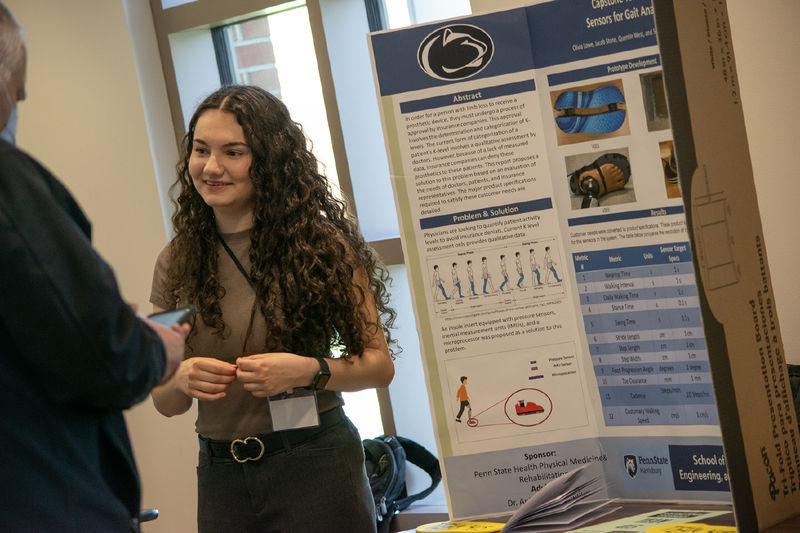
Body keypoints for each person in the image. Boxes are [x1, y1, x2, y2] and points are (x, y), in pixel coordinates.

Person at [149, 85, 396, 532]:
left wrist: (308, 370)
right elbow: (164, 401)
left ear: (269, 159)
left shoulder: (322, 248)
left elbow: (378, 366)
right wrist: (179, 378)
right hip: (222, 474)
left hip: (315, 463)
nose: (212, 167)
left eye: (233, 152)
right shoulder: (176, 261)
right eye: (201, 150)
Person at [0, 3, 188, 531]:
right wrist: (156, 345)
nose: (18, 107)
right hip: (42, 499)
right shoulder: (6, 183)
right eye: (17, 91)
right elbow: (104, 354)